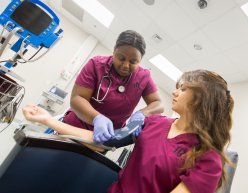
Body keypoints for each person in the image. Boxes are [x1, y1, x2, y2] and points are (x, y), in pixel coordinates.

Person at [22, 69, 234, 193]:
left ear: (203, 100)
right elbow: (104, 141)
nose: (175, 92)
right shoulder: (156, 123)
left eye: (184, 89)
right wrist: (48, 120)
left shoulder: (208, 159)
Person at [63, 30, 164, 143]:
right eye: (121, 58)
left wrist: (142, 113)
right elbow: (77, 98)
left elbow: (158, 104)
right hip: (74, 127)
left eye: (133, 62)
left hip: (105, 138)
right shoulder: (96, 65)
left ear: (140, 60)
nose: (125, 65)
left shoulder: (143, 76)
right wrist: (97, 118)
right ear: (114, 51)